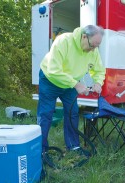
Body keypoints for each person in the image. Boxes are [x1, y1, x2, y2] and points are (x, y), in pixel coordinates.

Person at [37, 25, 106, 154]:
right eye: (92, 46)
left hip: (70, 84)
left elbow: (99, 70)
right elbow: (53, 70)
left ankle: (73, 146)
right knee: (46, 113)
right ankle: (41, 149)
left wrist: (98, 82)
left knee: (72, 113)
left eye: (97, 46)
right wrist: (76, 84)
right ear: (84, 37)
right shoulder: (63, 41)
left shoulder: (93, 50)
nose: (93, 50)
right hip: (50, 80)